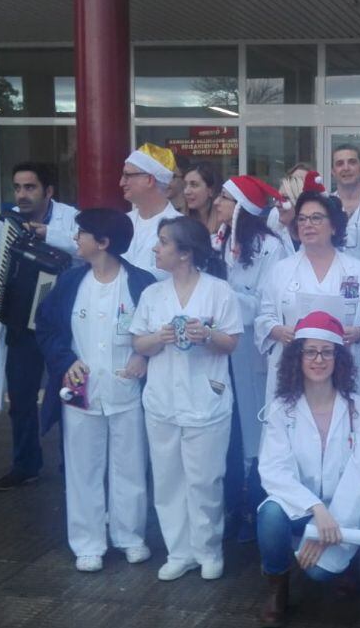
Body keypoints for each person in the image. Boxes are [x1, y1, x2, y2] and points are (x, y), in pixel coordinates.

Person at [33, 208, 153, 572]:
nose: (76, 239)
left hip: (127, 391)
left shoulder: (141, 283)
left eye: (82, 233)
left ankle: (130, 536)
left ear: (103, 242)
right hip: (81, 392)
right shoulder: (70, 283)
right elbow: (47, 328)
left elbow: (155, 332)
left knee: (130, 467)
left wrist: (144, 358)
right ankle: (87, 542)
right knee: (82, 468)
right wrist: (65, 360)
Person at [131, 216, 243, 581]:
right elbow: (138, 343)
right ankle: (179, 551)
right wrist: (159, 338)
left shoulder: (218, 291)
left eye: (163, 242)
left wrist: (207, 334)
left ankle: (208, 549)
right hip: (162, 401)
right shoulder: (152, 295)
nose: (155, 248)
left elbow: (231, 343)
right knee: (167, 480)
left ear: (184, 253)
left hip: (206, 399)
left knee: (205, 479)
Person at [256, 311, 360, 627]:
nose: (318, 359)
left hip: (349, 509)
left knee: (319, 573)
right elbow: (273, 470)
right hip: (305, 506)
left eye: (327, 351)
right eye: (310, 351)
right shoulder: (282, 407)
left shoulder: (358, 409)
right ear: (298, 357)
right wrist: (316, 508)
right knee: (269, 515)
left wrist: (329, 525)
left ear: (339, 358)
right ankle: (277, 585)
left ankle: (349, 562)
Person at [0, 161, 79, 491]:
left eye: (30, 187)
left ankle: (71, 465)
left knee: (68, 396)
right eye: (18, 188)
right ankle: (25, 464)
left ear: (48, 191)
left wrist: (52, 235)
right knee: (21, 398)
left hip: (63, 324)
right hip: (21, 322)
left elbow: (87, 248)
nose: (22, 194)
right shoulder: (5, 223)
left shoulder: (72, 218)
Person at [256, 191, 360, 426]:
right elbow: (264, 317)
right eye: (302, 219)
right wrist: (278, 331)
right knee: (293, 431)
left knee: (342, 433)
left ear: (333, 227)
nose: (308, 225)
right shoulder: (281, 271)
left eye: (316, 218)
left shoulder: (358, 271)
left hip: (343, 367)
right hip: (294, 369)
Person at [213, 175, 288, 541]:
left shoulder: (271, 247)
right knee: (233, 424)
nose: (217, 203)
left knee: (256, 422)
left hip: (253, 348)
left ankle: (258, 502)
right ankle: (237, 502)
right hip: (225, 344)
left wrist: (223, 294)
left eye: (226, 198)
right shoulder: (224, 239)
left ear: (243, 206)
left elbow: (269, 304)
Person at [120, 143, 183, 279]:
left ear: (149, 180)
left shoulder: (180, 228)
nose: (121, 182)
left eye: (127, 175)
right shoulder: (121, 222)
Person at [267, 162, 312, 256]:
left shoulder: (318, 234)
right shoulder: (275, 217)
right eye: (278, 198)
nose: (277, 204)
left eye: (285, 198)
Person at [183, 160, 224, 240]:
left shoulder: (225, 225)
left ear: (211, 190)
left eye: (194, 185)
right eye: (185, 185)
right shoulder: (181, 224)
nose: (186, 191)